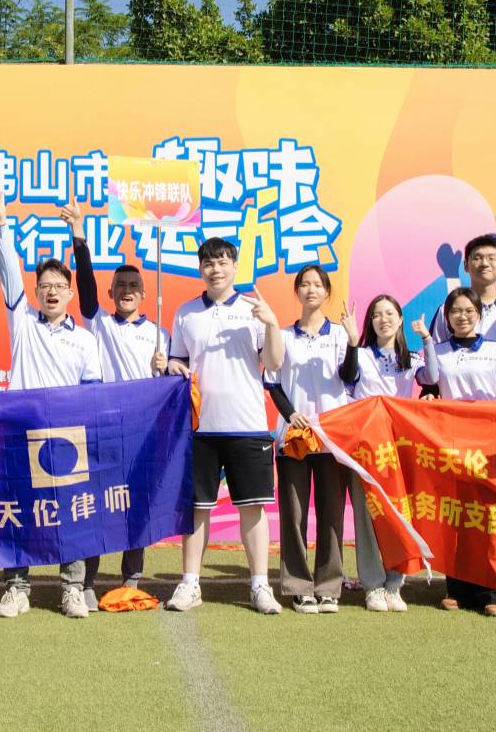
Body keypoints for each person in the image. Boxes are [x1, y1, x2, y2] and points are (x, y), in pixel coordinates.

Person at [0, 198, 104, 618]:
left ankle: (72, 588)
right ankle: (17, 588)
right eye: (45, 286)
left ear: (70, 293)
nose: (51, 292)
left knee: (71, 514)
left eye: (58, 286)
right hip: (22, 430)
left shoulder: (85, 339)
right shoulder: (22, 323)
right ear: (35, 293)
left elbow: (92, 392)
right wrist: (2, 227)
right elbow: (9, 273)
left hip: (66, 438)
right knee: (19, 511)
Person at [162, 236, 287, 615]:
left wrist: (271, 323)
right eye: (208, 263)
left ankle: (260, 585)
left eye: (222, 262)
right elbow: (178, 361)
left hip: (247, 424)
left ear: (234, 266)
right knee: (197, 509)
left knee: (252, 507)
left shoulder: (253, 309)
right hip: (199, 428)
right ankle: (190, 583)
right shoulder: (186, 312)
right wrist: (171, 365)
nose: (215, 269)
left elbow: (274, 363)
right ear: (200, 268)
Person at [61, 201, 165, 598]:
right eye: (119, 286)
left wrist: (164, 368)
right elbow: (85, 282)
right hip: (102, 428)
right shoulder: (99, 323)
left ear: (144, 293)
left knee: (135, 505)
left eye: (133, 286)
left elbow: (170, 386)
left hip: (141, 432)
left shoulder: (159, 334)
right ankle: (87, 581)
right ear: (111, 292)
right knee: (95, 505)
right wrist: (79, 235)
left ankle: (131, 580)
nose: (126, 291)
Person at [412, 289, 496, 616]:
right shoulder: (439, 351)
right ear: (447, 317)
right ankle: (457, 589)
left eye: (469, 311)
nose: (462, 317)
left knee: (491, 519)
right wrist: (428, 346)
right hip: (452, 443)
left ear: (478, 314)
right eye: (456, 311)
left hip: (490, 444)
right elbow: (429, 383)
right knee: (457, 516)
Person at [271, 265, 355, 614]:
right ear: (297, 291)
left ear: (327, 291)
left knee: (332, 513)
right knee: (293, 514)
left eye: (317, 285)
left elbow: (350, 376)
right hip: (294, 437)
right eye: (304, 284)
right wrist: (291, 414)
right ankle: (298, 586)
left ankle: (329, 585)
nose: (310, 290)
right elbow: (273, 383)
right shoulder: (283, 336)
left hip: (331, 436)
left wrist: (353, 342)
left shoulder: (340, 334)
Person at [347, 293, 417, 611]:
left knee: (397, 514)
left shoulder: (413, 359)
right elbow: (346, 381)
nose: (383, 319)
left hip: (398, 449)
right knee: (366, 516)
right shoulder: (360, 356)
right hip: (364, 447)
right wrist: (352, 343)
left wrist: (428, 340)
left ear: (400, 319)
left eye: (390, 313)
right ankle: (373, 585)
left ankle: (394, 583)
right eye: (376, 314)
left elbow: (432, 380)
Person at [433, 233, 496, 346]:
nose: (485, 263)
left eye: (492, 258)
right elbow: (434, 352)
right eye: (477, 258)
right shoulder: (447, 310)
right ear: (466, 265)